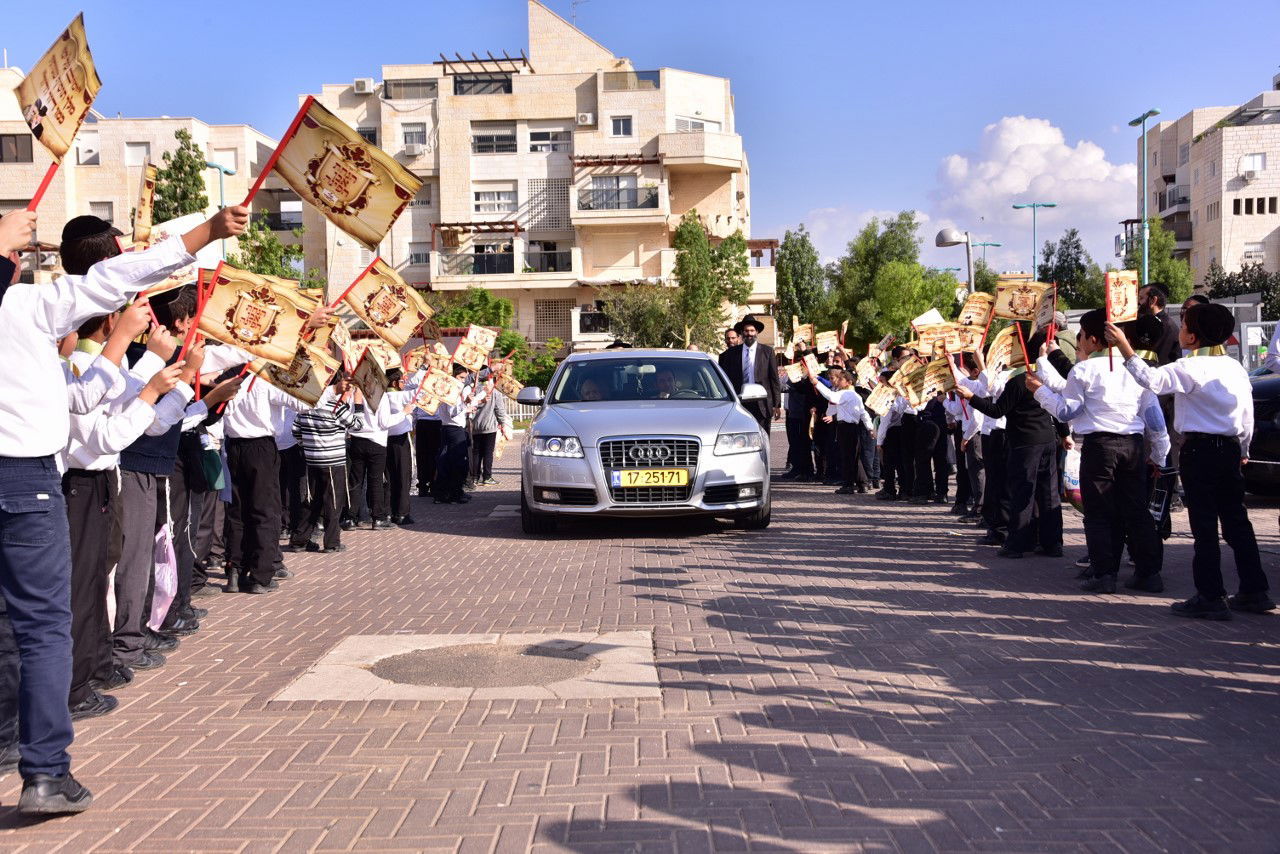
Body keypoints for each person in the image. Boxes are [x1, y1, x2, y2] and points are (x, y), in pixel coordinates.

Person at [0, 204, 246, 814]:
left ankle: (15, 741)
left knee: (14, 622)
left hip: (37, 473)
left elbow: (79, 397)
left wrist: (157, 378)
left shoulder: (28, 313)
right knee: (42, 625)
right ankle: (45, 772)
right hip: (26, 477)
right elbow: (115, 277)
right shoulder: (22, 307)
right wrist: (206, 232)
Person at [1107, 304, 1275, 619]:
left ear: (1193, 336)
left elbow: (1150, 379)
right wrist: (1244, 450)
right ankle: (1255, 590)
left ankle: (1210, 596)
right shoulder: (1235, 367)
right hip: (1229, 449)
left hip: (1200, 451)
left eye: (1183, 325)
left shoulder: (1189, 367)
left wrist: (1124, 345)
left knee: (1205, 525)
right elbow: (1247, 415)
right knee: (1237, 522)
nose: (1179, 331)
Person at [1030, 310, 1169, 594]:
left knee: (1099, 513)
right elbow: (1154, 418)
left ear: (1094, 339)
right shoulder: (1136, 368)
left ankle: (1104, 573)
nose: (1079, 341)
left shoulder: (1084, 370)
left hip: (1100, 447)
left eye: (1081, 335)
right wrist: (1159, 454)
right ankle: (1149, 573)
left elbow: (1067, 410)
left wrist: (1039, 392)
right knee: (1136, 511)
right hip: (1132, 446)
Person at [955, 327, 1069, 559]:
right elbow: (1057, 409)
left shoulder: (1019, 381)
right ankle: (1052, 543)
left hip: (1025, 443)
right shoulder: (1049, 378)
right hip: (1048, 439)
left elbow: (997, 410)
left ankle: (1017, 544)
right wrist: (1064, 434)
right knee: (1048, 494)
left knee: (1023, 492)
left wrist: (970, 397)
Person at [291, 373, 357, 553]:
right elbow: (356, 425)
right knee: (333, 501)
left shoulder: (306, 404)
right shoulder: (336, 407)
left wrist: (308, 444)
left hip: (312, 459)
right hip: (333, 460)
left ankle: (300, 540)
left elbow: (295, 430)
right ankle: (332, 542)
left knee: (311, 501)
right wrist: (353, 406)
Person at [810, 368, 874, 494]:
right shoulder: (855, 395)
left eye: (841, 379)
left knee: (847, 457)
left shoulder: (846, 394)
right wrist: (870, 428)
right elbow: (863, 413)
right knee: (854, 456)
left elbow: (831, 396)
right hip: (852, 427)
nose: (838, 381)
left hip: (846, 427)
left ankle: (848, 485)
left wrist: (817, 383)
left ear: (849, 382)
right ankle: (862, 483)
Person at [717, 316, 781, 430]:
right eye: (746, 331)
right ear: (742, 333)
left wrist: (777, 405)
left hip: (762, 403)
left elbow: (774, 379)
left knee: (763, 435)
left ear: (757, 332)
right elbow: (725, 379)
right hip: (740, 402)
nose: (749, 334)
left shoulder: (767, 352)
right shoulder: (732, 353)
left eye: (752, 330)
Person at [434, 364, 477, 504]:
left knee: (446, 461)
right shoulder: (452, 391)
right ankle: (455, 494)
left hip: (448, 428)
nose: (463, 381)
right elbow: (453, 412)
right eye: (461, 377)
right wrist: (465, 404)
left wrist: (466, 406)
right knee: (457, 463)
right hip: (454, 429)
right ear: (454, 376)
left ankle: (445, 493)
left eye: (465, 378)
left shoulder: (449, 390)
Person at [470, 367, 511, 486]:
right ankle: (487, 476)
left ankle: (475, 477)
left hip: (475, 426)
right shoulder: (494, 392)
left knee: (476, 452)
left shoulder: (474, 390)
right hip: (489, 427)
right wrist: (502, 423)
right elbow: (499, 410)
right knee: (488, 453)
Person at [1139, 284, 1181, 366]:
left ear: (1153, 300)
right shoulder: (1152, 322)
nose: (1138, 303)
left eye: (1141, 298)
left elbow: (1158, 359)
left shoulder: (1165, 326)